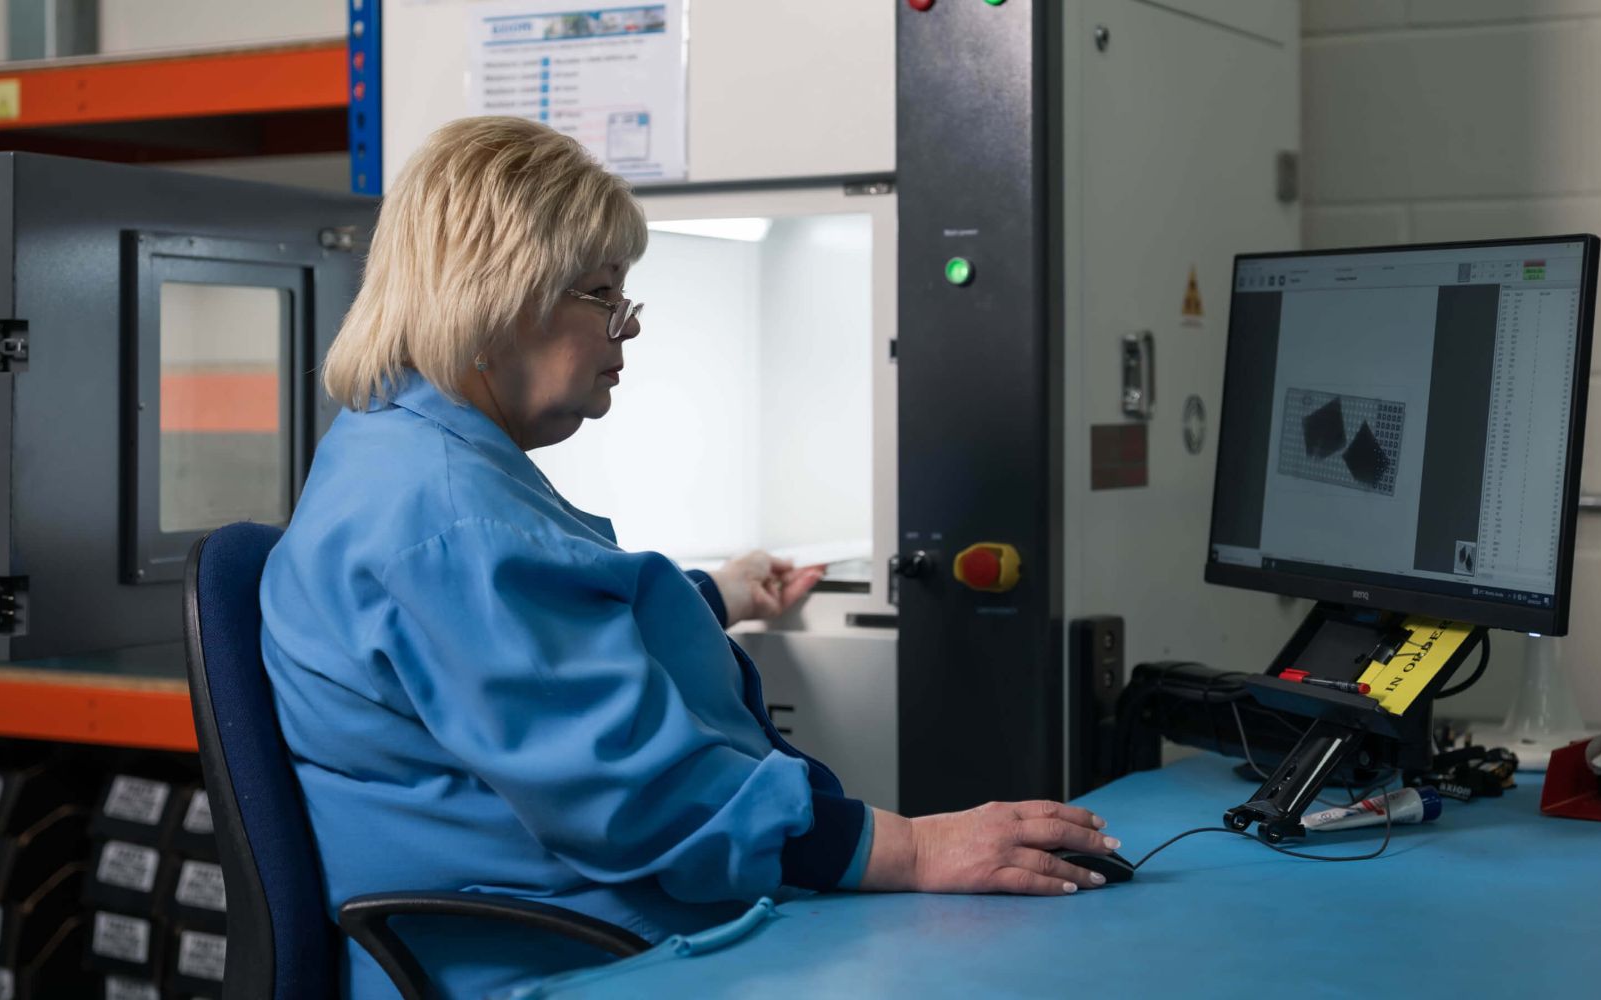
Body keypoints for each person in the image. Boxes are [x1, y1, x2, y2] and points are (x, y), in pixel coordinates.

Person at [259, 116, 1120, 998]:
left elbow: (529, 651)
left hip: (558, 915)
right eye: (602, 295)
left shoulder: (401, 453)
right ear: (500, 295)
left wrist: (716, 595)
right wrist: (913, 847)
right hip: (562, 956)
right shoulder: (450, 520)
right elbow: (637, 799)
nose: (625, 330)